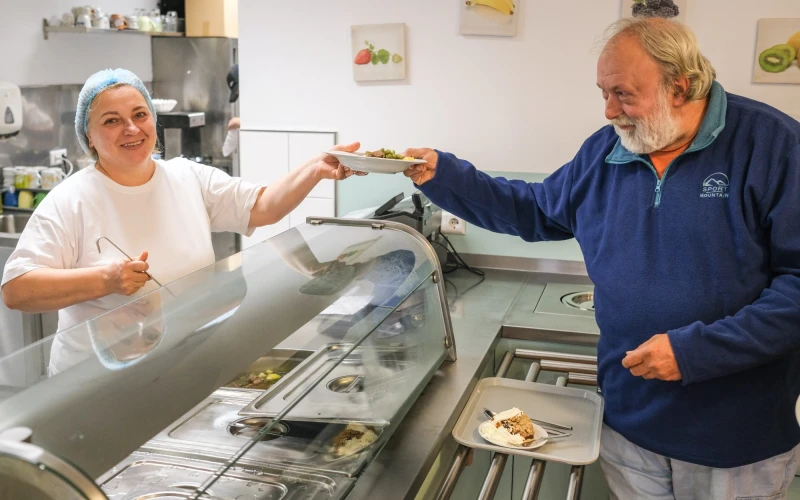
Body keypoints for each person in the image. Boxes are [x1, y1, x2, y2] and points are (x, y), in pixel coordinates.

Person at [403, 18, 800, 499]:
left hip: (736, 438)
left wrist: (697, 351)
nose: (610, 110)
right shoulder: (605, 151)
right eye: (603, 93)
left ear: (683, 86)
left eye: (624, 94)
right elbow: (535, 210)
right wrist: (444, 176)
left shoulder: (774, 146)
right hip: (628, 424)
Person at [0, 68, 364, 373]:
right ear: (89, 137)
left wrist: (315, 168)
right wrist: (106, 279)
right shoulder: (71, 200)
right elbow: (17, 290)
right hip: (93, 379)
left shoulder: (188, 177)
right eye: (112, 121)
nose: (131, 128)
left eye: (140, 115)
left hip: (180, 364)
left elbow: (263, 206)